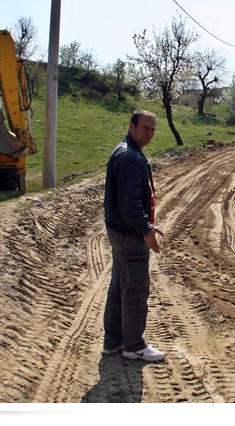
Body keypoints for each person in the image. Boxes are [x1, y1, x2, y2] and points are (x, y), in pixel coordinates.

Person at [102, 110, 165, 361]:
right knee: (136, 288)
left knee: (119, 286)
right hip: (130, 234)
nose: (149, 133)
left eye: (152, 129)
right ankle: (134, 345)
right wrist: (146, 229)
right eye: (144, 128)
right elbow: (129, 204)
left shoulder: (126, 151)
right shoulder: (130, 157)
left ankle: (114, 341)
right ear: (132, 127)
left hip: (119, 231)